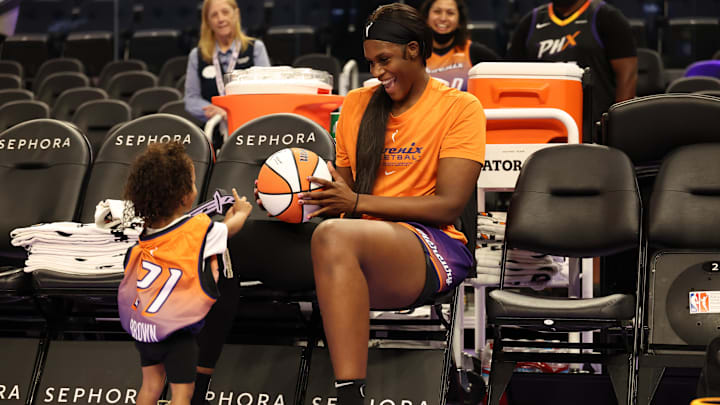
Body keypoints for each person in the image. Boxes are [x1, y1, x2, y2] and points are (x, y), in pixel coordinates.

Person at [287, 4, 486, 404]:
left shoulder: (460, 108)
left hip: (434, 243)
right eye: (371, 62)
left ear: (414, 50)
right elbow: (340, 186)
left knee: (334, 236)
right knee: (242, 239)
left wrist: (356, 202)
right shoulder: (357, 105)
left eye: (385, 60)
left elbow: (448, 206)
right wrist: (295, 192)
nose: (376, 71)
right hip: (360, 236)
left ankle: (348, 396)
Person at [118, 142, 252, 405]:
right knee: (183, 394)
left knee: (150, 386)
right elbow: (228, 230)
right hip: (178, 334)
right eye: (192, 183)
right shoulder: (198, 230)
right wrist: (241, 212)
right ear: (184, 197)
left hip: (146, 330)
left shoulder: (145, 232)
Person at [506, 0, 638, 142]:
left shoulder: (607, 17)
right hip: (543, 122)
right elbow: (512, 76)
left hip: (594, 126)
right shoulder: (531, 21)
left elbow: (627, 76)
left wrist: (615, 126)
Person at [184, 0, 270, 148]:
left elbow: (267, 92)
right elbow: (191, 99)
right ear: (208, 22)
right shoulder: (197, 55)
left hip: (252, 132)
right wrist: (219, 111)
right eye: (214, 15)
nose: (221, 19)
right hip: (213, 134)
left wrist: (232, 111)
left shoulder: (255, 48)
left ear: (235, 14)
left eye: (225, 12)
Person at [419, 0, 498, 91]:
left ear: (460, 21)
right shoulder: (415, 52)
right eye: (437, 12)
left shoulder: (474, 52)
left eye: (450, 13)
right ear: (426, 17)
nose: (443, 18)